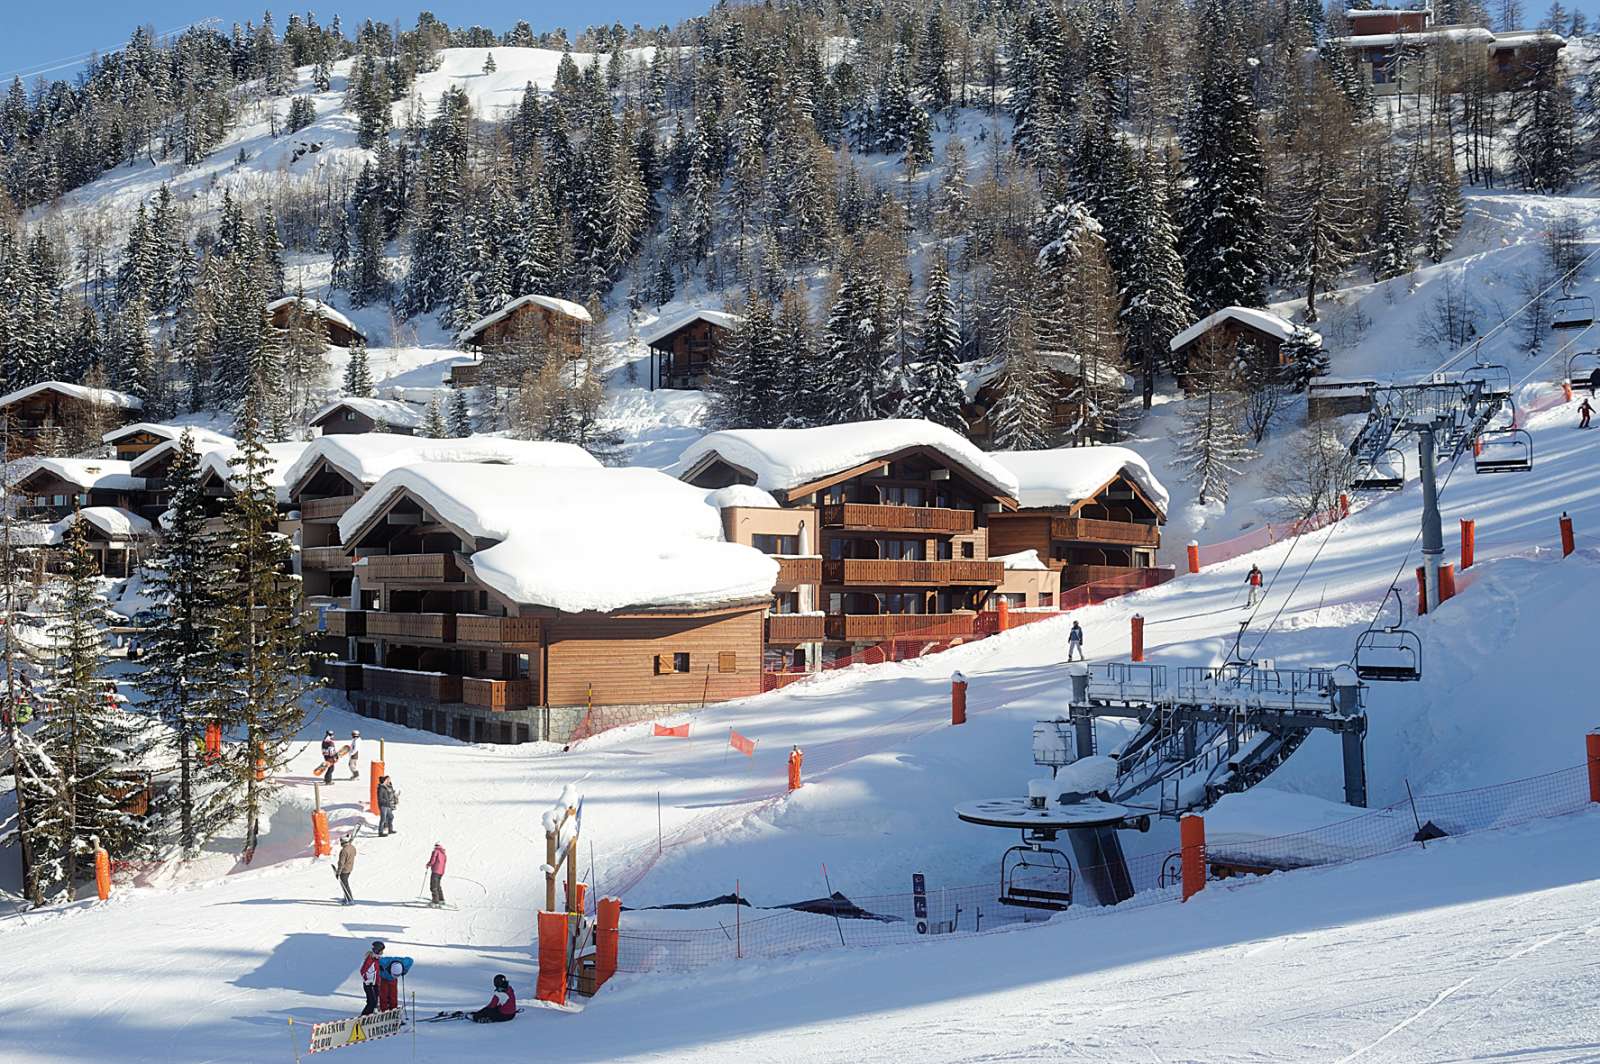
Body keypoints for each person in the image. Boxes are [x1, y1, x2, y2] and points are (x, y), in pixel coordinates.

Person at [360, 942, 385, 1015]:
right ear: (377, 951)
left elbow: (374, 968)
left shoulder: (376, 959)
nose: (382, 953)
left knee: (375, 1001)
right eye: (381, 951)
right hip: (369, 984)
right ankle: (364, 1016)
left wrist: (380, 968)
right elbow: (362, 971)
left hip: (375, 984)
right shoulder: (369, 960)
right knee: (372, 1002)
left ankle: (371, 1015)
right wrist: (367, 981)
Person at [336, 834, 357, 905]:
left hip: (344, 870)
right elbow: (354, 854)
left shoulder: (344, 851)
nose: (340, 842)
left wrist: (338, 872)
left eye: (341, 841)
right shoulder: (352, 847)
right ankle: (346, 898)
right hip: (350, 868)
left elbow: (341, 863)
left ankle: (350, 899)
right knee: (345, 884)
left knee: (345, 885)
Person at [425, 842, 447, 906]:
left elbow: (433, 860)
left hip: (435, 871)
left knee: (433, 886)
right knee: (438, 885)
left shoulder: (435, 851)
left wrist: (428, 864)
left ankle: (435, 901)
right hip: (441, 872)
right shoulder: (443, 853)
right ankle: (441, 899)